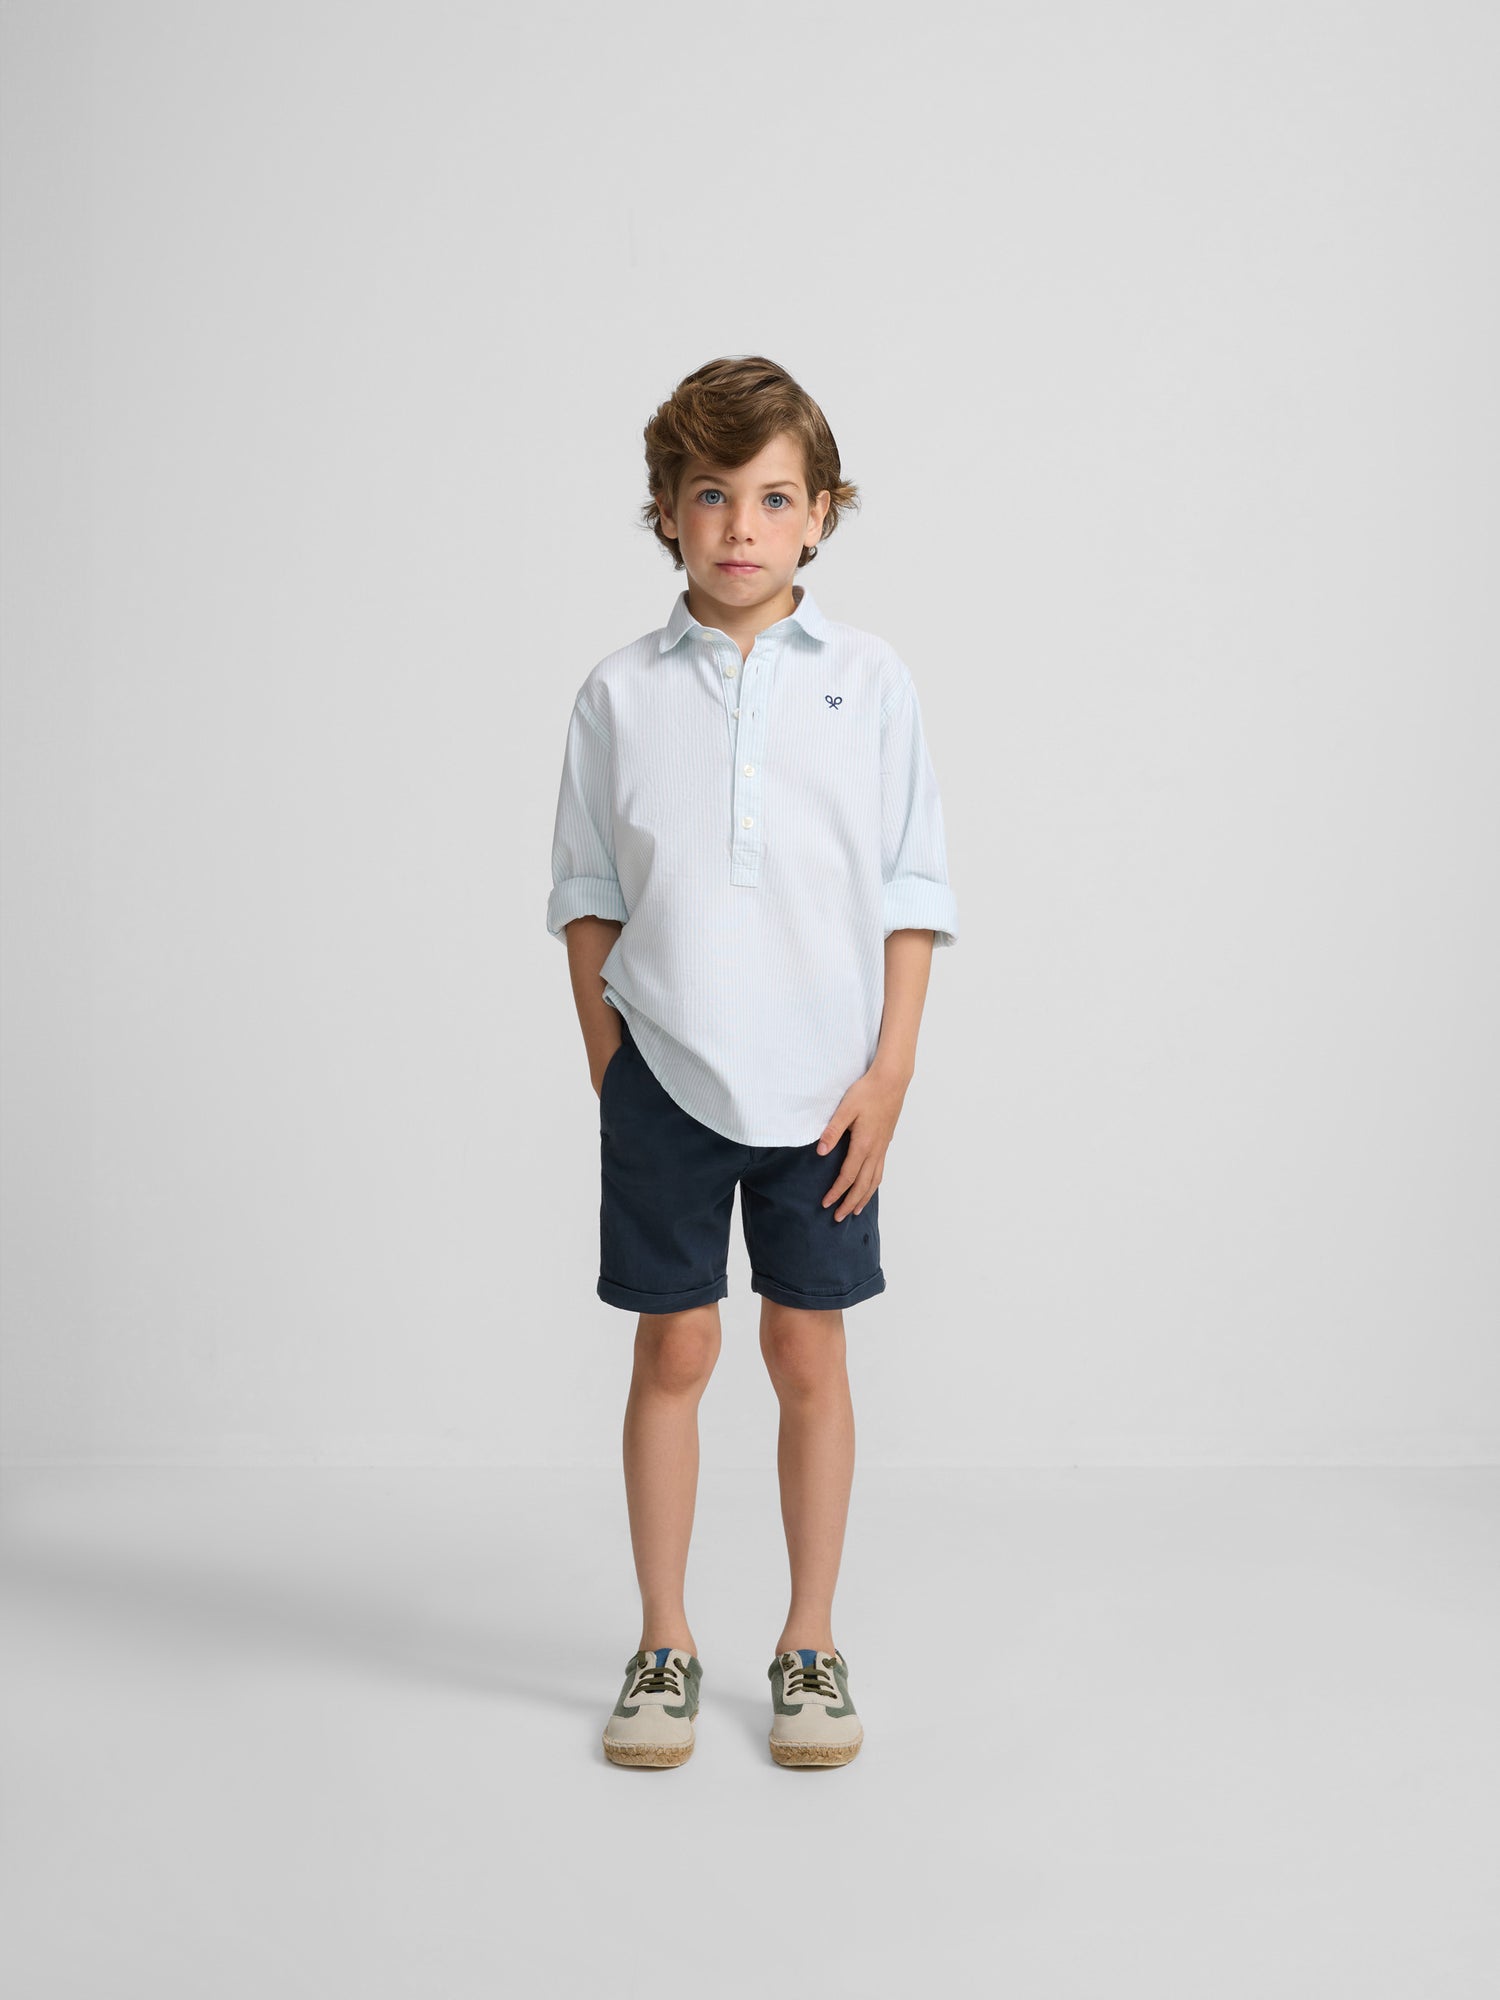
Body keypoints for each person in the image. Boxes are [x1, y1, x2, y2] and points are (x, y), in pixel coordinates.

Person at [545, 355, 959, 1769]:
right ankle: (663, 1641)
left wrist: (890, 1074)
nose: (741, 525)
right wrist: (611, 1061)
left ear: (822, 515)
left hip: (828, 1087)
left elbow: (912, 888)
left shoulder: (871, 681)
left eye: (775, 497)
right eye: (711, 493)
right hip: (665, 1077)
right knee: (676, 1346)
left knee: (805, 1349)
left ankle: (810, 1642)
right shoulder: (616, 694)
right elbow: (585, 890)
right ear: (666, 510)